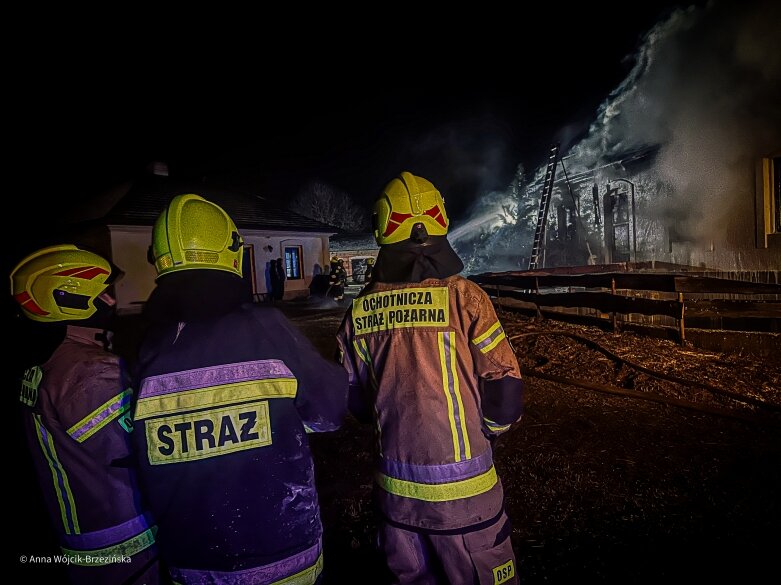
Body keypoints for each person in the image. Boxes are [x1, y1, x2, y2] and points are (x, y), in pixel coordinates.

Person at [135, 194, 348, 584]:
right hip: (283, 555)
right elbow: (329, 411)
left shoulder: (144, 352)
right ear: (233, 256)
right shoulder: (266, 330)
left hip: (192, 563)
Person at [336, 172, 525, 584]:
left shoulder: (361, 311)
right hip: (469, 506)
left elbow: (355, 402)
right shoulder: (465, 297)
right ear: (439, 220)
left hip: (398, 505)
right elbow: (506, 389)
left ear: (381, 228)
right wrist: (487, 431)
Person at [9, 244, 160, 585]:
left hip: (81, 537)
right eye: (104, 294)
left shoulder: (51, 359)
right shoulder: (90, 373)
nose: (111, 301)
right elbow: (140, 450)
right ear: (69, 300)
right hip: (124, 543)